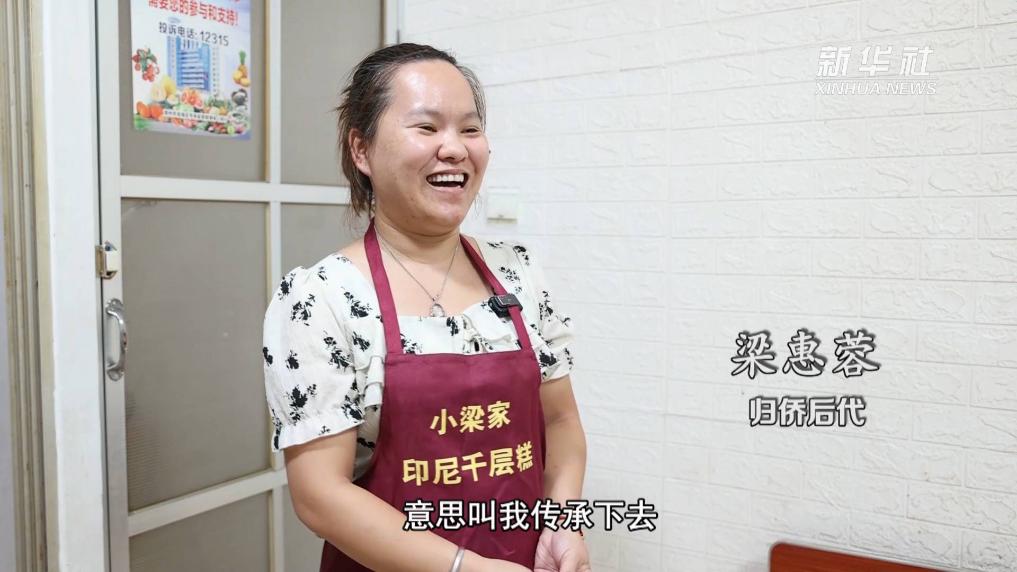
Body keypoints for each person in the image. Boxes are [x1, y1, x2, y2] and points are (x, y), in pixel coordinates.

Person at [261, 43, 590, 572]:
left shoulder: (517, 273)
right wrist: (466, 569)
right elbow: (320, 495)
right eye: (427, 127)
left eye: (470, 128)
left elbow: (561, 420)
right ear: (362, 150)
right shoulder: (322, 296)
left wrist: (563, 522)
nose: (454, 148)